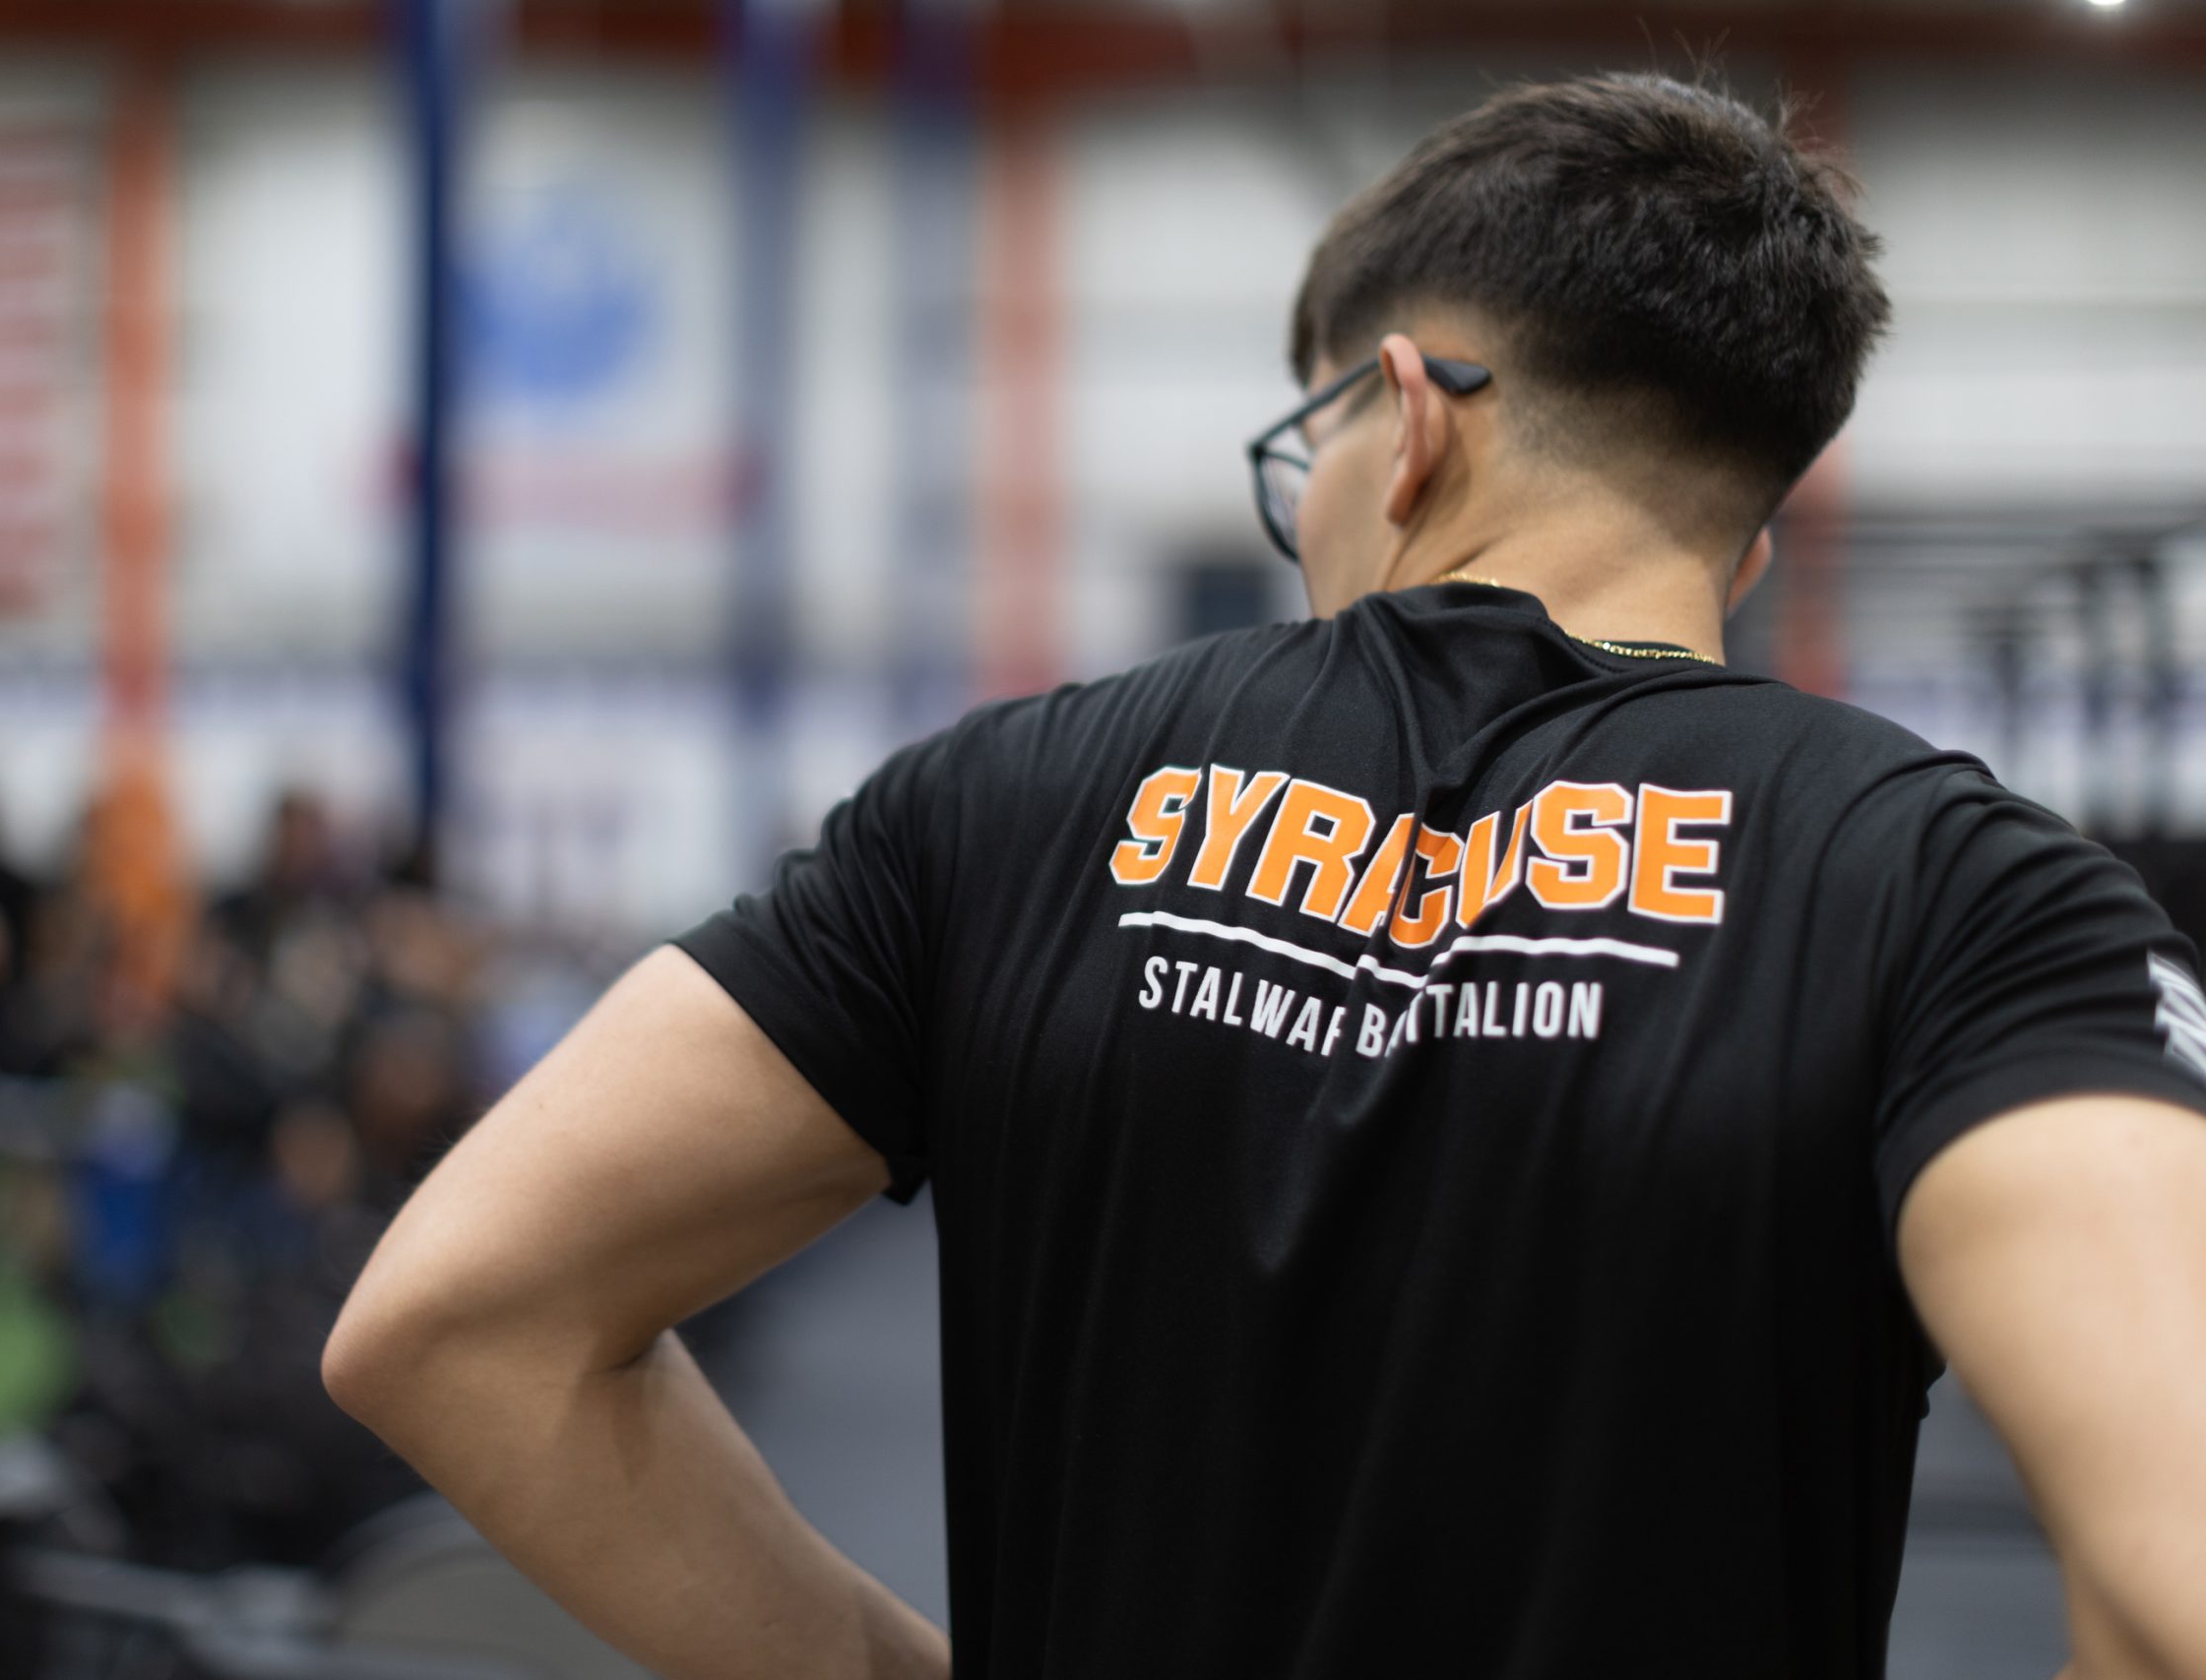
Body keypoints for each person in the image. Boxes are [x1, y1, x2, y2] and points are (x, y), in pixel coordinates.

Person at [323, 73, 2206, 1680]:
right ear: (1751, 520)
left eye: (1300, 444)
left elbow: (460, 1320)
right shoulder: (1970, 894)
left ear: (1411, 417)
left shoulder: (1012, 797)